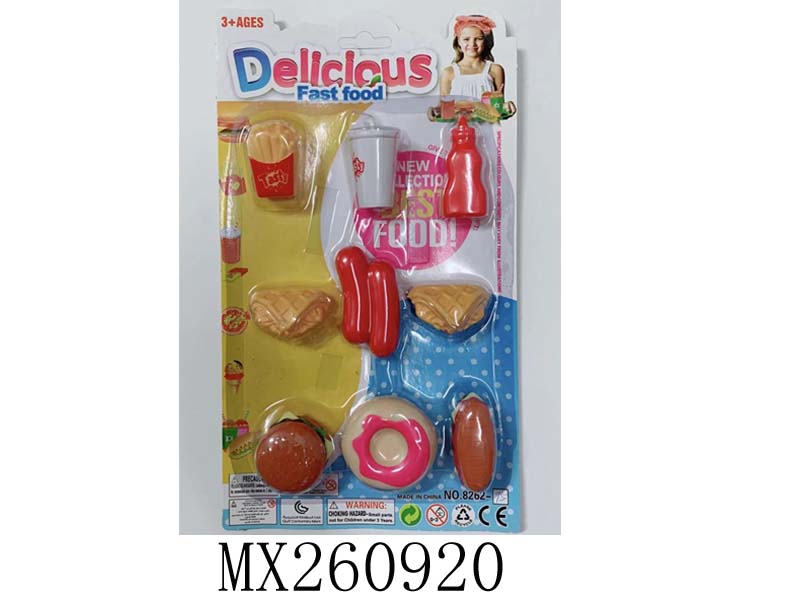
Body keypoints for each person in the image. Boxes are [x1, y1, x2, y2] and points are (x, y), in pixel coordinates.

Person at [439, 15, 505, 98]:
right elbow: (444, 104)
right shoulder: (448, 73)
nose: (472, 44)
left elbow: (499, 103)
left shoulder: (495, 70)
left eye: (478, 38)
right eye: (466, 39)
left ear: (485, 41)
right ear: (458, 41)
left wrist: (507, 104)